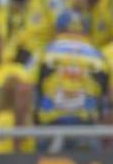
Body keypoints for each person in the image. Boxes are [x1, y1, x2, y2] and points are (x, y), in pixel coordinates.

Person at [30, 11, 111, 150]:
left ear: (59, 29)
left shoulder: (43, 52)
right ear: (87, 31)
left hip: (50, 127)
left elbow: (25, 86)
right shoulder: (100, 56)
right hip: (87, 128)